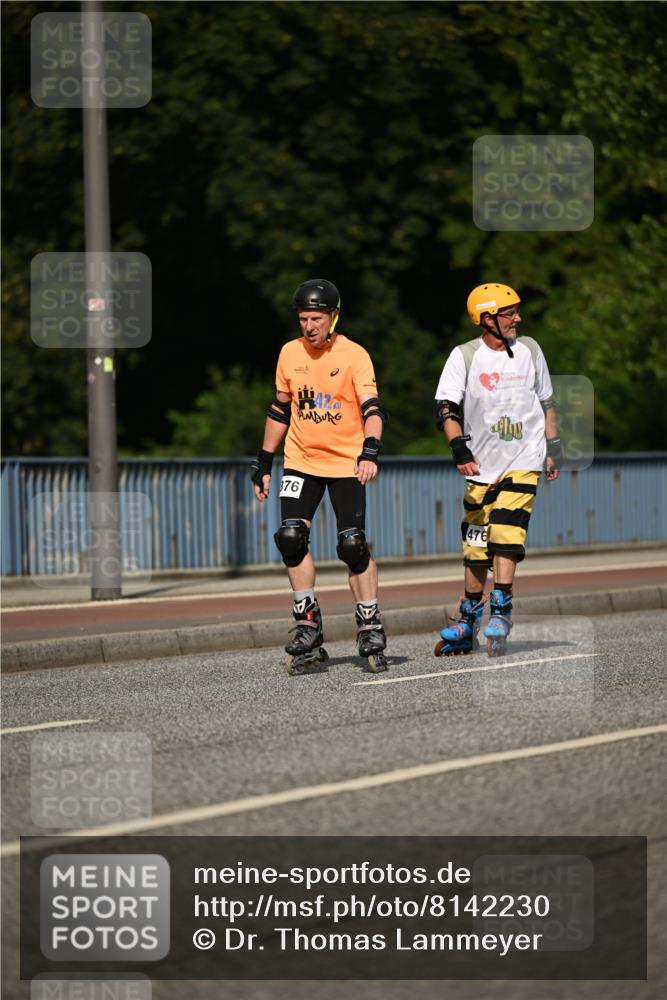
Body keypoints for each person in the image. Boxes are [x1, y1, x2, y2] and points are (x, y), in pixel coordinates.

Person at [251, 278, 389, 674]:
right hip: (301, 460)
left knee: (352, 545)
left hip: (346, 462)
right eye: (303, 319)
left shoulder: (354, 355)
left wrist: (370, 450)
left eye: (316, 318)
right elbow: (280, 410)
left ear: (333, 316)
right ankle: (307, 623)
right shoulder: (289, 353)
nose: (309, 326)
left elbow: (373, 409)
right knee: (290, 537)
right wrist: (263, 462)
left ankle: (369, 623)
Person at [433, 282, 561, 657]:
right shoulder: (464, 356)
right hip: (480, 465)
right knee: (475, 545)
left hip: (524, 458)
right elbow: (445, 408)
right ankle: (468, 619)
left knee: (505, 531)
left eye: (517, 311)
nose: (517, 318)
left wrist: (552, 448)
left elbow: (547, 403)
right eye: (509, 313)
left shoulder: (530, 350)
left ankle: (502, 610)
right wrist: (459, 447)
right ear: (487, 319)